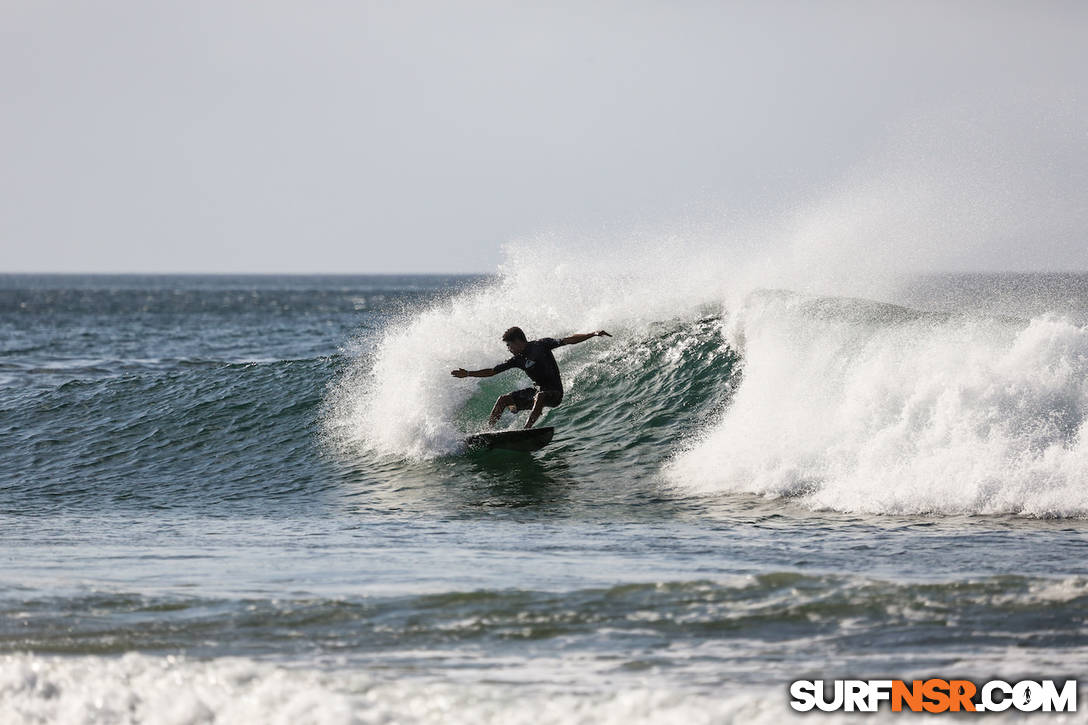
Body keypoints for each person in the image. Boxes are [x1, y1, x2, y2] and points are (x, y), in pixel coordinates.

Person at [451, 326, 611, 429]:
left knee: (540, 396)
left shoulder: (541, 345)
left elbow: (568, 340)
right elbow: (492, 371)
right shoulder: (517, 360)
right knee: (503, 400)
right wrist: (468, 374)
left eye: (510, 345)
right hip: (536, 393)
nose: (509, 349)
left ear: (519, 341)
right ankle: (488, 431)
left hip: (554, 393)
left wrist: (593, 334)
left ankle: (527, 429)